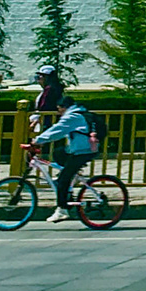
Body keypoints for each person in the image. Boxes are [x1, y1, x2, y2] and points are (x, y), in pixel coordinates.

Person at [24, 93, 100, 223]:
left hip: (84, 151)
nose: (58, 113)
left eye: (59, 109)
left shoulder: (72, 116)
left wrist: (37, 141)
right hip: (80, 149)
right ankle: (70, 179)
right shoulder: (79, 113)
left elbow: (57, 130)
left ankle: (62, 210)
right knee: (59, 153)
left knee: (63, 180)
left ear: (63, 107)